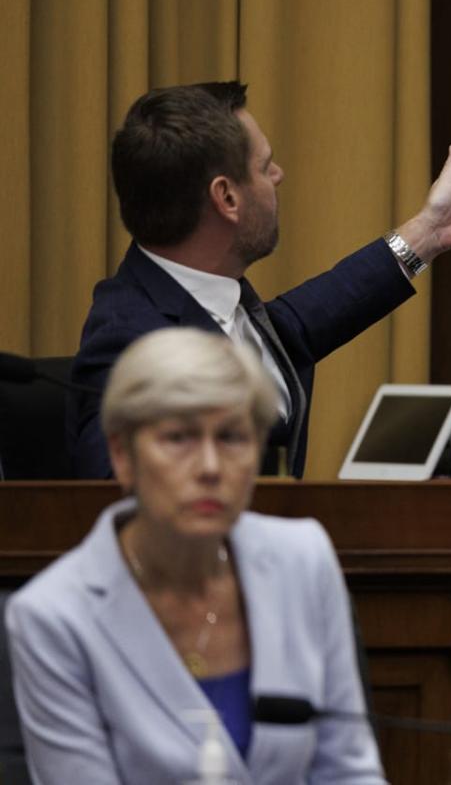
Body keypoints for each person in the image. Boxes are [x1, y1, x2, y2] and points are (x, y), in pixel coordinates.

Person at [67, 81, 451, 478]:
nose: (278, 176)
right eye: (265, 167)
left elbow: (307, 320)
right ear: (226, 197)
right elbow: (113, 500)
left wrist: (428, 233)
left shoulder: (219, 297)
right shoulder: (130, 337)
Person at [7, 328, 386, 782]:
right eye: (178, 438)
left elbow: (349, 770)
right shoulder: (54, 617)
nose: (210, 467)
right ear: (122, 456)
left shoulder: (302, 560)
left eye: (231, 438)